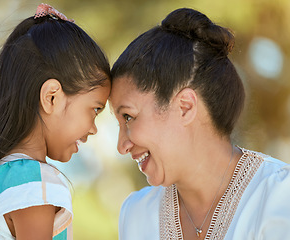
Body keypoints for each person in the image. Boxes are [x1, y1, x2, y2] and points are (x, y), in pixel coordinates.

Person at [109, 8, 290, 240]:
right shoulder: (136, 214)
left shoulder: (279, 198)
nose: (121, 145)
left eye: (128, 117)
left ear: (185, 107)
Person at [0, 3, 111, 240]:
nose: (94, 128)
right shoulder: (34, 181)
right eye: (95, 109)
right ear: (51, 97)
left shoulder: (0, 176)